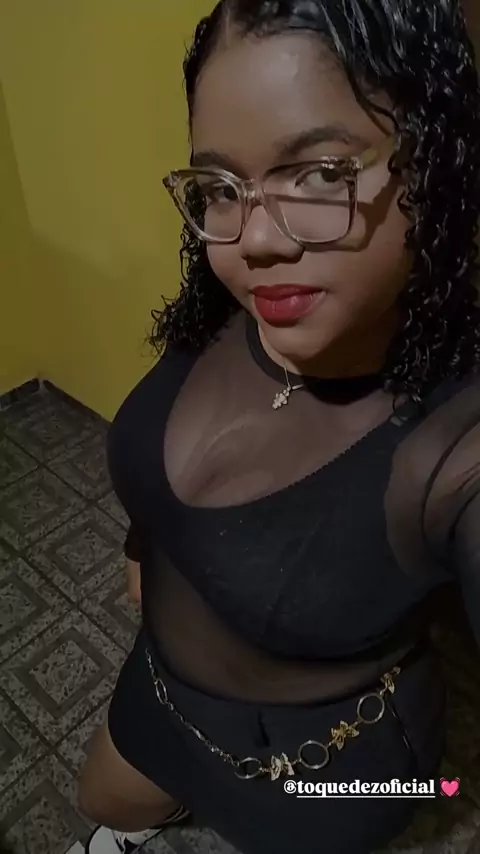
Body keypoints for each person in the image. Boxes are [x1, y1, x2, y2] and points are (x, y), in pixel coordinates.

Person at [79, 1, 480, 852]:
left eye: (321, 173)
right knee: (101, 802)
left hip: (331, 769)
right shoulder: (233, 303)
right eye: (222, 186)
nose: (253, 241)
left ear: (437, 163)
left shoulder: (456, 445)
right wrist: (144, 543)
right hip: (163, 687)